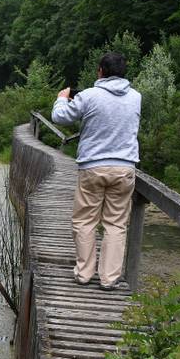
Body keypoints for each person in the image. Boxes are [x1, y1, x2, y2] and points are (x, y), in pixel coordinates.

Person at [51, 51, 141, 291]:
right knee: (115, 224)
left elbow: (59, 117)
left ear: (100, 71)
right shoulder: (136, 97)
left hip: (93, 167)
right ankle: (109, 279)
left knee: (85, 221)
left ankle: (84, 273)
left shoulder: (89, 95)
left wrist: (62, 98)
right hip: (124, 167)